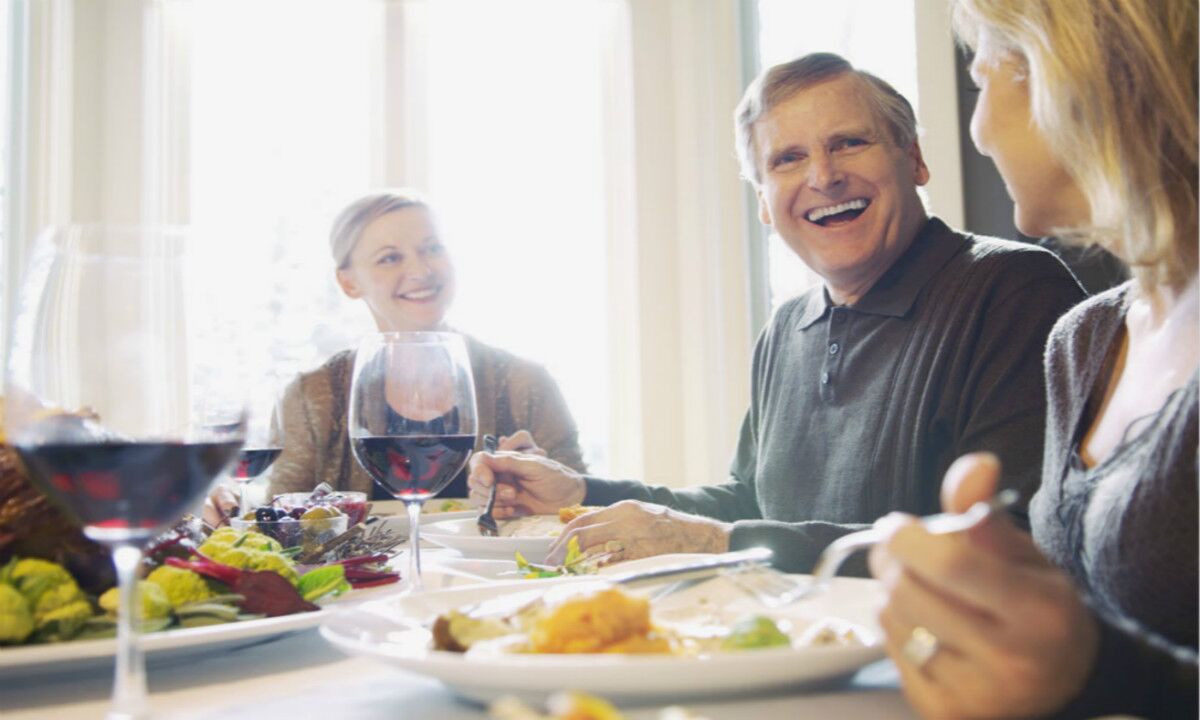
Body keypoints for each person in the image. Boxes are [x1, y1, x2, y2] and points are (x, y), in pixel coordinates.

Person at [468, 53, 1085, 572]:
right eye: (786, 159)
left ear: (915, 160)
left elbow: (1004, 546)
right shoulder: (786, 329)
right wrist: (581, 495)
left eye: (850, 142)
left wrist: (725, 545)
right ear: (764, 202)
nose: (824, 175)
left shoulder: (1012, 290)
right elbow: (748, 502)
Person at [868, 0, 1197, 717]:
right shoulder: (1082, 343)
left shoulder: (1006, 289)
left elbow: (1087, 662)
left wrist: (1090, 670)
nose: (978, 131)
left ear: (1070, 68)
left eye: (983, 78)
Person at [206, 190, 586, 522]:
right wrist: (227, 504)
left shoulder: (525, 383)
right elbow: (283, 518)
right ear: (349, 282)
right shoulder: (311, 395)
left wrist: (534, 491)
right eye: (390, 258)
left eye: (432, 248)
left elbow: (586, 513)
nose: (420, 270)